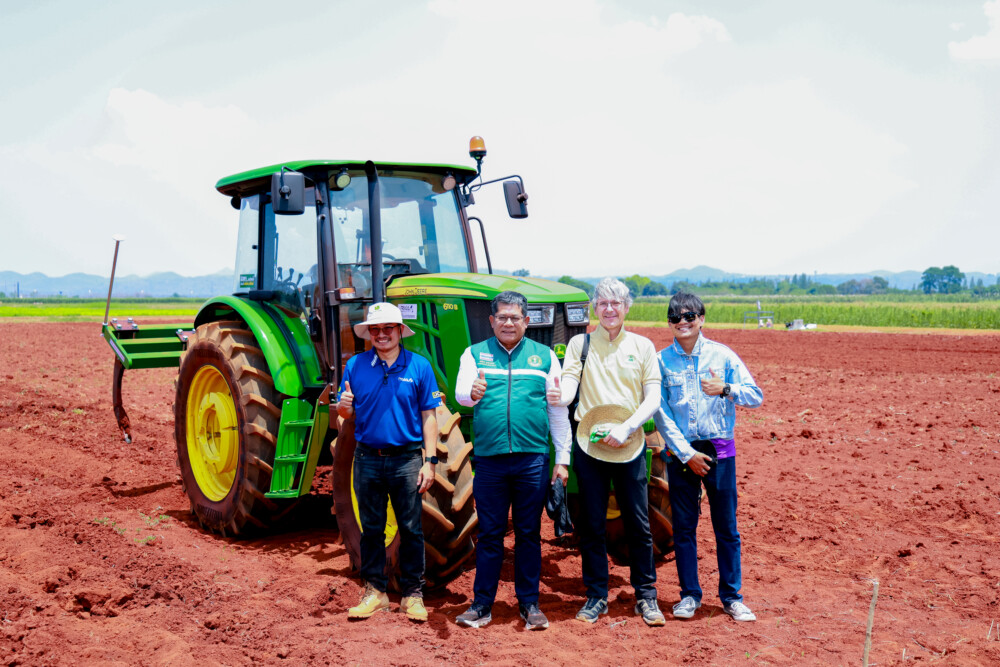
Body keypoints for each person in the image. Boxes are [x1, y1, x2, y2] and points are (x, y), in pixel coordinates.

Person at [549, 277, 666, 626]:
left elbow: (653, 398)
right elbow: (570, 383)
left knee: (639, 523)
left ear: (626, 308)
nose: (610, 309)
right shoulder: (579, 345)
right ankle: (596, 595)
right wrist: (561, 396)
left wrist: (627, 427)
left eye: (616, 303)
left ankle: (646, 596)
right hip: (590, 445)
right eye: (603, 303)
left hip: (629, 444)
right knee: (592, 525)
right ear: (595, 309)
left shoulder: (643, 346)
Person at [453, 291, 571, 630]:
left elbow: (558, 412)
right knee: (490, 534)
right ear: (491, 321)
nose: (508, 322)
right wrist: (471, 394)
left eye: (514, 317)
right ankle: (481, 605)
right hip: (489, 461)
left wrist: (562, 459)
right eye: (501, 317)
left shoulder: (545, 357)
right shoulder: (474, 354)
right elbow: (463, 393)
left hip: (532, 459)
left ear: (526, 322)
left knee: (529, 533)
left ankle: (530, 604)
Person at [653, 292, 763, 623]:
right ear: (669, 324)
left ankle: (732, 597)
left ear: (701, 318)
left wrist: (726, 389)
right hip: (681, 452)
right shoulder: (661, 361)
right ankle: (689, 596)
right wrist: (686, 454)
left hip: (719, 450)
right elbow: (660, 413)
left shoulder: (723, 356)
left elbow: (755, 396)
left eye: (689, 317)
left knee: (726, 527)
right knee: (684, 528)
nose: (682, 323)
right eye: (675, 318)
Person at [336, 302, 440, 622]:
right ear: (369, 334)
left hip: (407, 459)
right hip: (367, 458)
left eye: (388, 329)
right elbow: (347, 416)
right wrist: (343, 407)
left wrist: (430, 461)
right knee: (371, 530)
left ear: (399, 332)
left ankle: (412, 595)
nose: (382, 335)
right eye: (376, 330)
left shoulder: (419, 367)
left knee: (410, 529)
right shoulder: (355, 366)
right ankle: (375, 592)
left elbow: (429, 416)